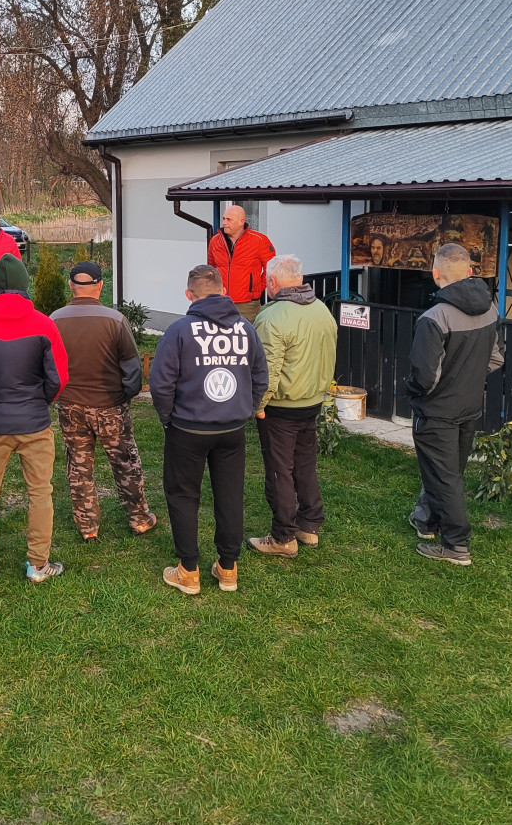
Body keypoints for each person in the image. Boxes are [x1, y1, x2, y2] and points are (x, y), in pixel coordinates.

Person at [151, 265, 268, 595]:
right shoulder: (246, 329)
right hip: (232, 429)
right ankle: (228, 568)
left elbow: (161, 384)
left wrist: (168, 418)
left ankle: (188, 571)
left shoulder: (179, 331)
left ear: (189, 295)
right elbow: (260, 376)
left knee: (183, 495)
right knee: (230, 495)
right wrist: (245, 409)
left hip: (187, 429)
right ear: (224, 291)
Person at [0, 254, 69, 583]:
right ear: (26, 284)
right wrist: (39, 401)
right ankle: (37, 564)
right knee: (40, 492)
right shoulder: (44, 324)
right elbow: (58, 378)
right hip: (34, 423)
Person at [405, 243, 503, 566]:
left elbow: (424, 376)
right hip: (469, 405)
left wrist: (415, 393)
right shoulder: (491, 309)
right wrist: (467, 379)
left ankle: (456, 544)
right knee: (449, 472)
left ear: (435, 274)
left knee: (444, 477)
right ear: (470, 272)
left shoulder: (434, 317)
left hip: (437, 410)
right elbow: (496, 358)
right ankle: (427, 521)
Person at [50, 260, 155, 541]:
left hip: (70, 405)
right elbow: (132, 368)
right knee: (125, 462)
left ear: (71, 285)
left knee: (79, 467)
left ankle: (88, 527)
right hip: (111, 405)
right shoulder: (115, 320)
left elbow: (48, 366)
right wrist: (125, 396)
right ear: (100, 286)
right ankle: (140, 519)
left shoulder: (55, 319)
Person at [246, 254, 337, 557]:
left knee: (279, 470)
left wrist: (258, 405)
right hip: (312, 401)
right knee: (305, 464)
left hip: (281, 406)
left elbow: (266, 371)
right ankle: (309, 525)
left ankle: (283, 536)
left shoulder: (271, 317)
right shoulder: (322, 310)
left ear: (272, 282)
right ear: (300, 279)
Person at [206, 205, 276, 323]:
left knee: (247, 333)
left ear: (241, 222)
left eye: (229, 219)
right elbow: (211, 268)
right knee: (220, 332)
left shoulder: (259, 240)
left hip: (247, 304)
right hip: (220, 301)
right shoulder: (215, 241)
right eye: (224, 219)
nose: (224, 223)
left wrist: (256, 289)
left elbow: (271, 268)